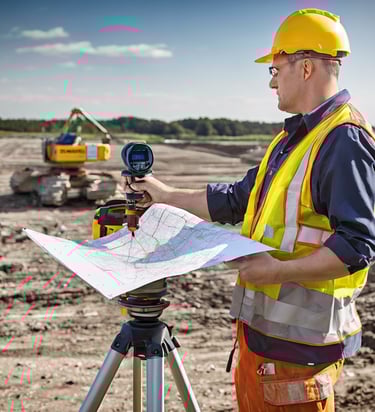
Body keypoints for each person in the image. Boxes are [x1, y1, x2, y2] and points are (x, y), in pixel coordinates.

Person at [124, 8, 375, 412]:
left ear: (306, 66)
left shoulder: (343, 141)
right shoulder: (290, 140)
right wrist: (164, 194)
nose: (271, 82)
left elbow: (357, 245)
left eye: (275, 70)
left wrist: (275, 270)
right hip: (262, 345)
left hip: (300, 356)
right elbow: (236, 199)